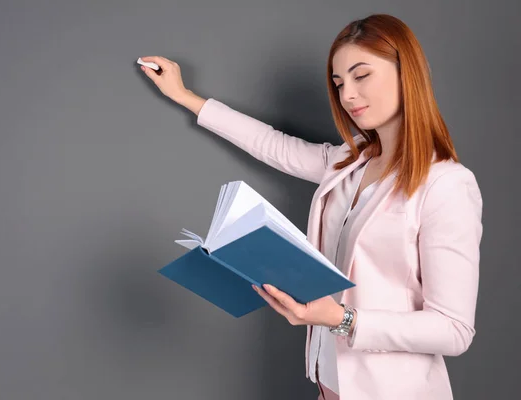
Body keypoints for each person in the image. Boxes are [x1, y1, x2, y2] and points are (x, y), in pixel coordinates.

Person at [138, 13, 483, 400]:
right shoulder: (350, 162)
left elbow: (454, 330)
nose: (347, 95)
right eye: (338, 84)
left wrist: (342, 319)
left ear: (407, 73)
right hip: (330, 387)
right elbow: (276, 146)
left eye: (361, 75)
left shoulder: (447, 184)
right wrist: (185, 96)